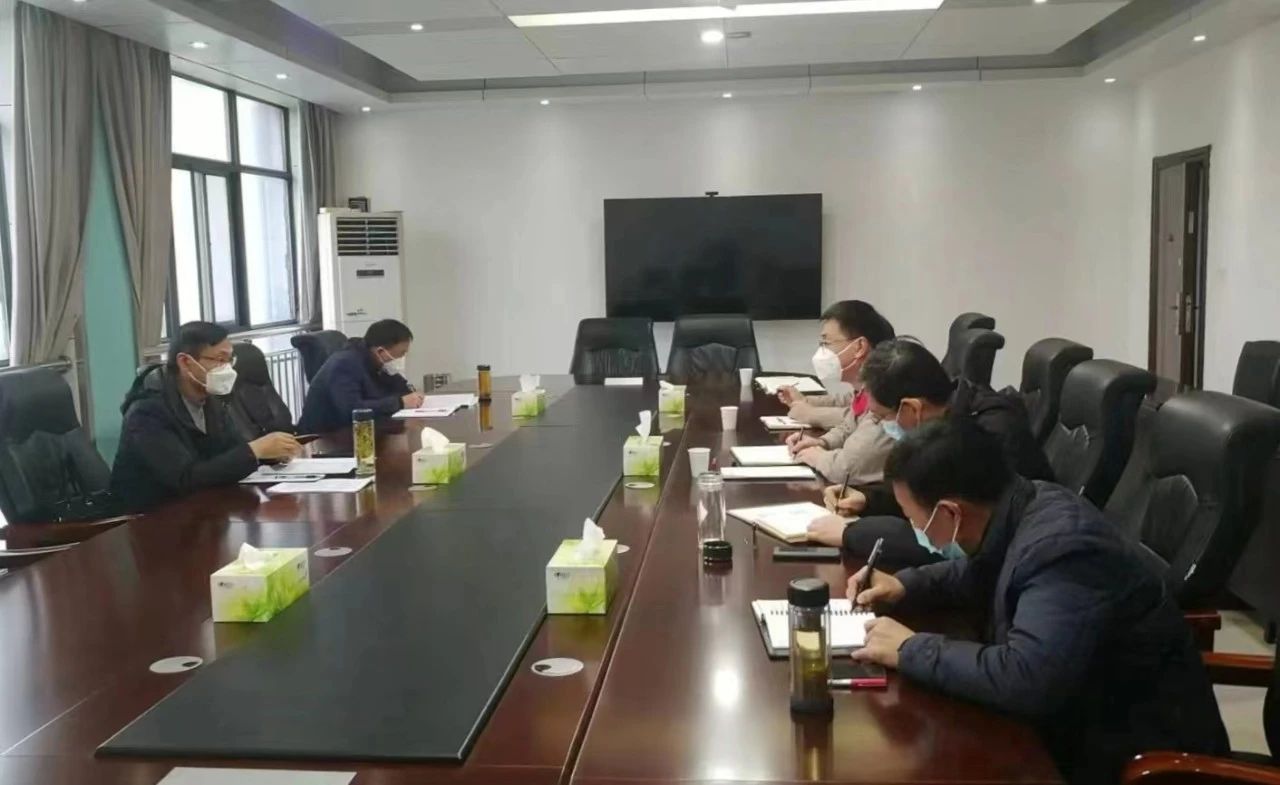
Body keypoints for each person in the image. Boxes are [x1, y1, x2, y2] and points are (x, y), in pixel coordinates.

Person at [846, 418, 1227, 784]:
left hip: (1135, 755)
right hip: (1081, 720)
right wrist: (904, 586)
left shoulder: (1064, 550)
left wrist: (910, 649)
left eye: (915, 520)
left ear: (950, 512)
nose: (916, 530)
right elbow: (984, 570)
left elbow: (1027, 680)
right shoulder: (1023, 503)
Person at [807, 337, 1052, 564]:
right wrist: (868, 500)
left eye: (881, 417)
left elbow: (963, 540)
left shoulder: (986, 434)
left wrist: (852, 534)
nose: (881, 426)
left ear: (912, 408)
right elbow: (929, 494)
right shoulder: (954, 412)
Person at [111, 322, 303, 512]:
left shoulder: (211, 399)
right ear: (185, 362)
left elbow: (230, 452)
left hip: (200, 510)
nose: (227, 369)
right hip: (150, 517)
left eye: (230, 360)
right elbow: (184, 478)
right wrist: (253, 451)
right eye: (220, 360)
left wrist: (269, 455)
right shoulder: (147, 411)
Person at [782, 301, 896, 484]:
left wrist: (817, 456)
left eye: (826, 343)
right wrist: (822, 442)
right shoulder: (866, 389)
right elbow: (849, 425)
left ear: (859, 347)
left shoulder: (886, 396)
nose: (822, 352)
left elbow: (847, 468)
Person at [297, 319, 425, 434]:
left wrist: (411, 394)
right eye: (401, 354)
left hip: (357, 431)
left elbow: (396, 388)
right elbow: (353, 409)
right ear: (380, 351)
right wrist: (400, 402)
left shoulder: (375, 361)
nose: (402, 358)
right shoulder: (345, 364)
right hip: (323, 438)